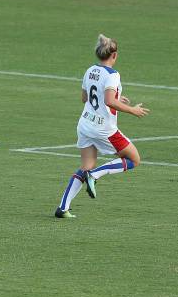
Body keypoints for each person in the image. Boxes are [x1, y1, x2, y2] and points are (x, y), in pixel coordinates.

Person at [55, 34, 150, 218]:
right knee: (134, 159)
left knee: (86, 165)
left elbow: (85, 98)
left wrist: (114, 98)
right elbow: (108, 101)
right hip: (103, 129)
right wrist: (132, 110)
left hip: (85, 124)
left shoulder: (90, 70)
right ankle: (96, 175)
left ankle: (63, 207)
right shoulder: (113, 75)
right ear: (114, 55)